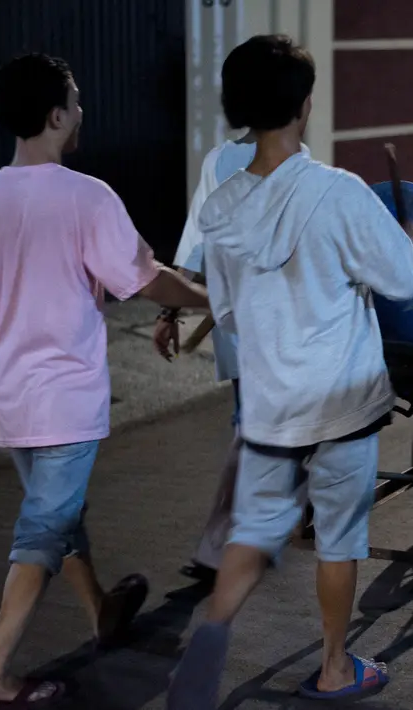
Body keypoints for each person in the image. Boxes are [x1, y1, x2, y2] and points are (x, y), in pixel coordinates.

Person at [0, 53, 211, 706]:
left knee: (56, 515)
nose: (83, 111)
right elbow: (145, 280)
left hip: (6, 401)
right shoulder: (87, 196)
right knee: (42, 531)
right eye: (77, 99)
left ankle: (98, 611)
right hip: (64, 397)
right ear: (57, 115)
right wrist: (213, 298)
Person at [165, 35, 413, 708]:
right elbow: (403, 283)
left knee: (253, 532)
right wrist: (409, 243)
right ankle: (336, 666)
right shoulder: (338, 193)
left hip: (270, 410)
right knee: (338, 539)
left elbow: (224, 313)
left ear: (237, 107)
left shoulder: (220, 209)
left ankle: (211, 633)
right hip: (341, 404)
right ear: (304, 106)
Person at [153, 130, 259, 584]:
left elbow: (195, 241)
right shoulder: (294, 160)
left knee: (251, 422)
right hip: (270, 323)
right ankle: (220, 543)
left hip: (239, 319)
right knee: (253, 426)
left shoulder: (219, 159)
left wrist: (170, 310)